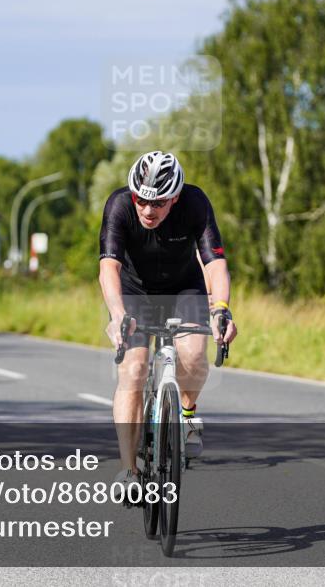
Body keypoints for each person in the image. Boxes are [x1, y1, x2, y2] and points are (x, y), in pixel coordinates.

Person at [98, 151, 238, 487]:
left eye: (159, 203)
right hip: (135, 292)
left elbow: (215, 263)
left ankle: (187, 414)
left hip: (183, 289)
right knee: (133, 369)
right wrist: (117, 314)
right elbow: (109, 267)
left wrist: (220, 308)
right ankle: (129, 471)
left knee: (193, 354)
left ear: (174, 198)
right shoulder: (119, 205)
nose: (148, 210)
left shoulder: (195, 202)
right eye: (141, 200)